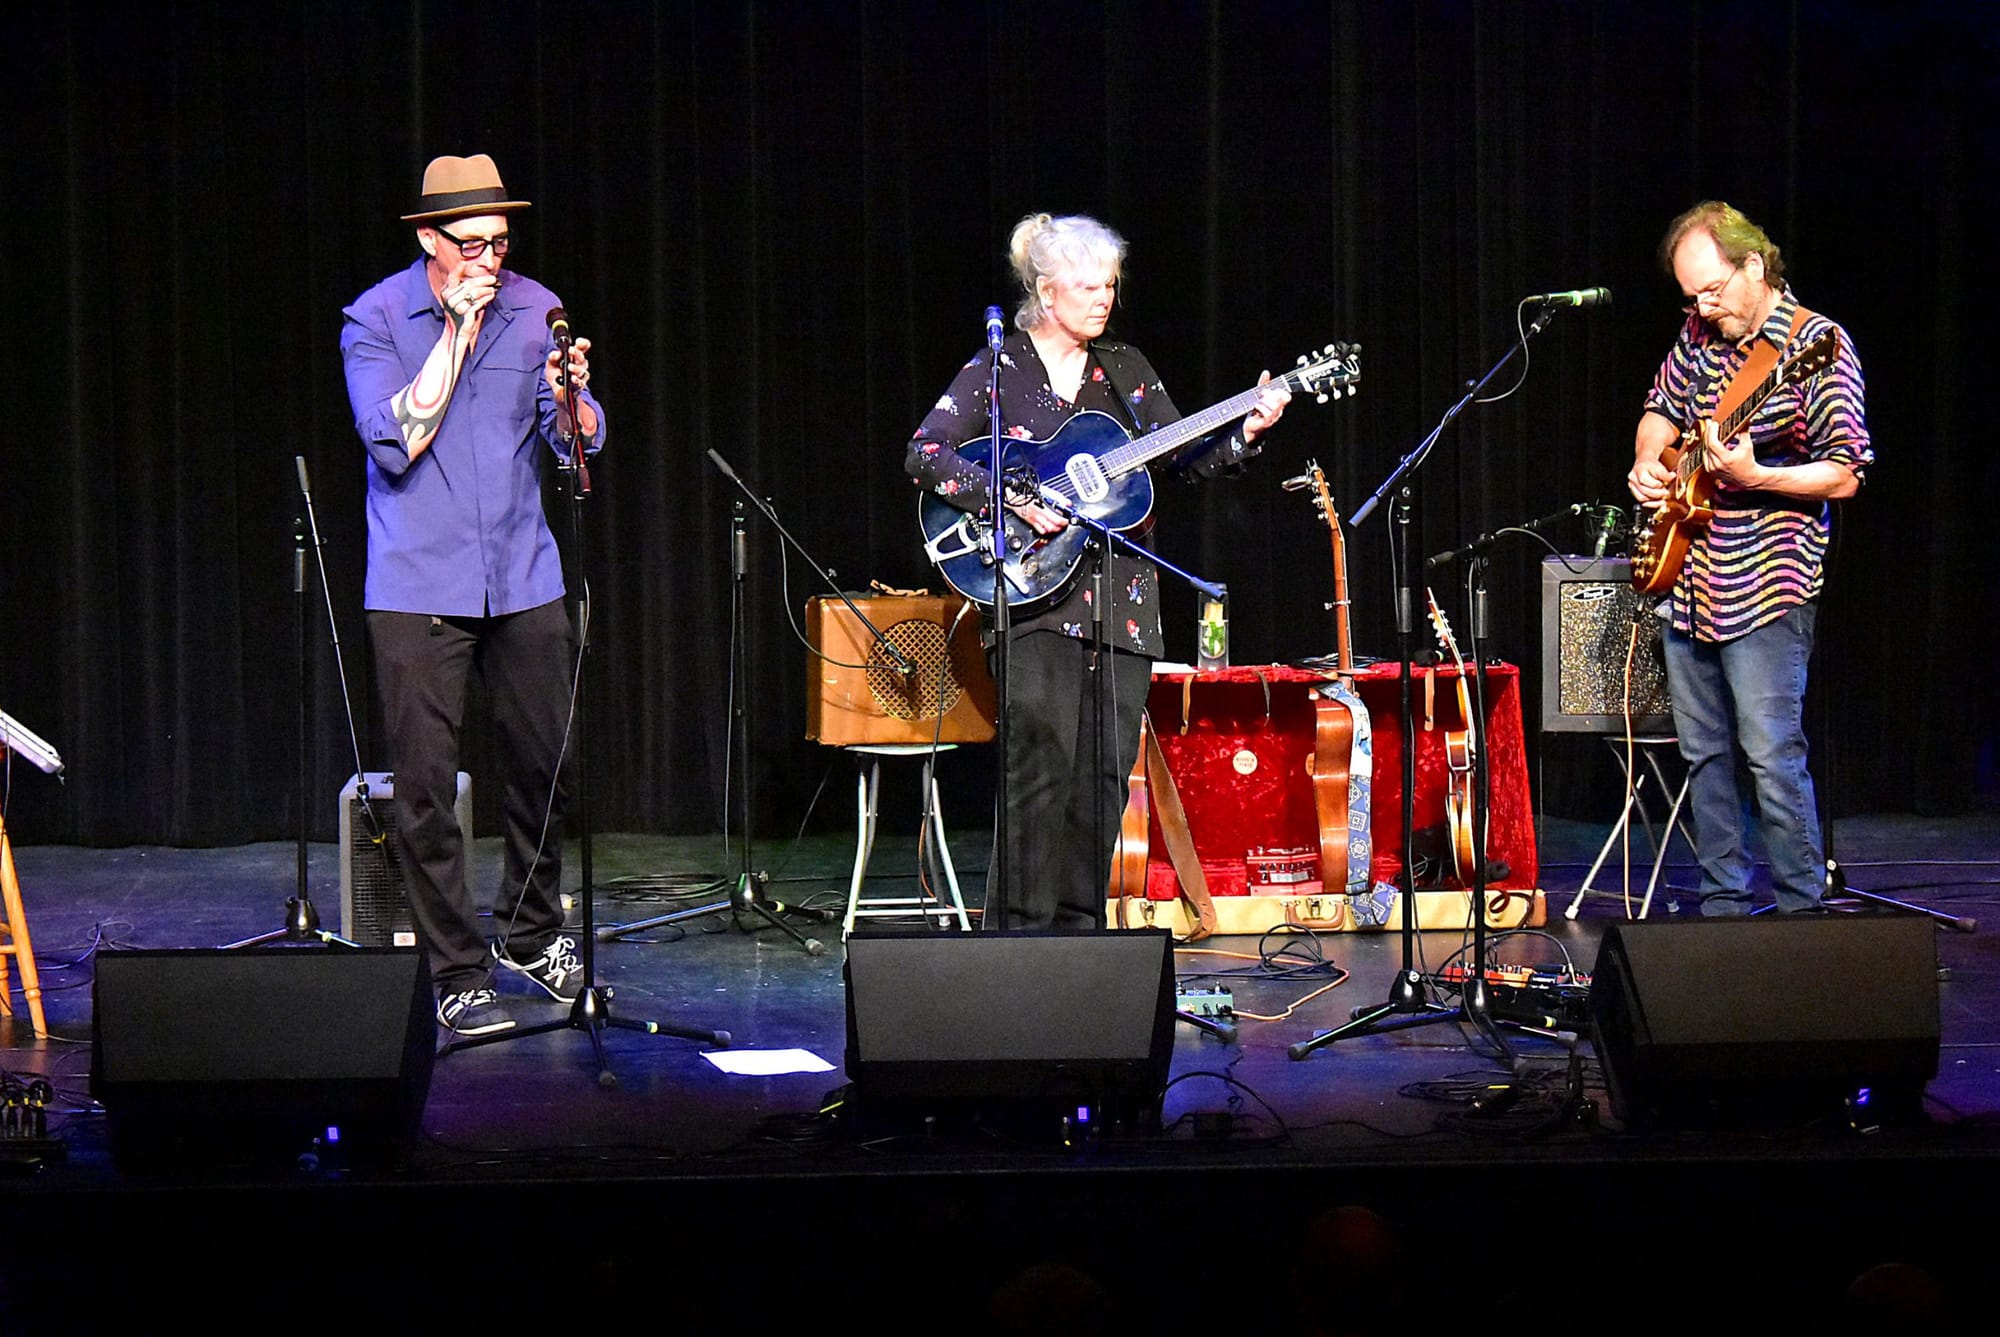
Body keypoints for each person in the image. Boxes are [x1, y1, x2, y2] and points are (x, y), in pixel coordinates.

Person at [907, 213, 1288, 930]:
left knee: (1107, 773)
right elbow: (925, 454)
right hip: (1030, 592)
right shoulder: (1000, 368)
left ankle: (1080, 936)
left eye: (1109, 284)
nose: (1103, 298)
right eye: (1087, 286)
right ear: (1047, 292)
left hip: (1124, 600)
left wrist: (1243, 431)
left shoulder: (1127, 368)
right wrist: (1012, 495)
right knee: (1039, 767)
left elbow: (1181, 456)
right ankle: (1018, 940)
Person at [341, 153, 605, 1034]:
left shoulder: (536, 308)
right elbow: (394, 443)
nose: (490, 261)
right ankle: (456, 968)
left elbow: (571, 447)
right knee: (423, 785)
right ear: (428, 238)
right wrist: (454, 336)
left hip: (525, 571)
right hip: (419, 578)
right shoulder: (376, 319)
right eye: (472, 245)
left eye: (500, 241)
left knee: (547, 762)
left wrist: (576, 403)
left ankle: (530, 931)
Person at [1628, 200, 1871, 915]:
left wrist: (1759, 476)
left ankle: (1802, 914)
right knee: (1703, 757)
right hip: (1690, 577)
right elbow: (1659, 408)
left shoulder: (1815, 343)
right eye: (1691, 296)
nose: (1704, 307)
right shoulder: (1699, 333)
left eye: (1713, 289)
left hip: (1766, 582)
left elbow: (1847, 470)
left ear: (1754, 265)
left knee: (1770, 757)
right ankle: (1723, 908)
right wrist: (1650, 458)